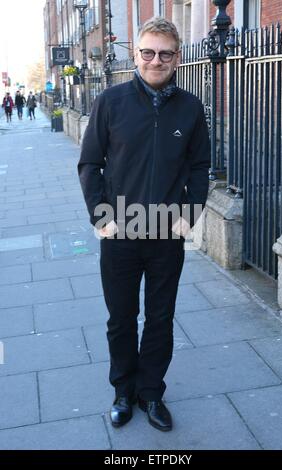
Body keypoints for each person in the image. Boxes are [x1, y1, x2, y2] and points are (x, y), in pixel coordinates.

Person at [78, 17, 210, 432]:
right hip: (120, 232)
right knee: (120, 317)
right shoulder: (111, 102)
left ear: (177, 57)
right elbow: (90, 164)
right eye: (148, 52)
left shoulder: (190, 108)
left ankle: (151, 392)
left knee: (160, 317)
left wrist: (188, 217)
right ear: (136, 55)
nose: (156, 60)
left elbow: (200, 167)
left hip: (165, 234)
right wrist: (102, 219)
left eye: (165, 53)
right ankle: (122, 391)